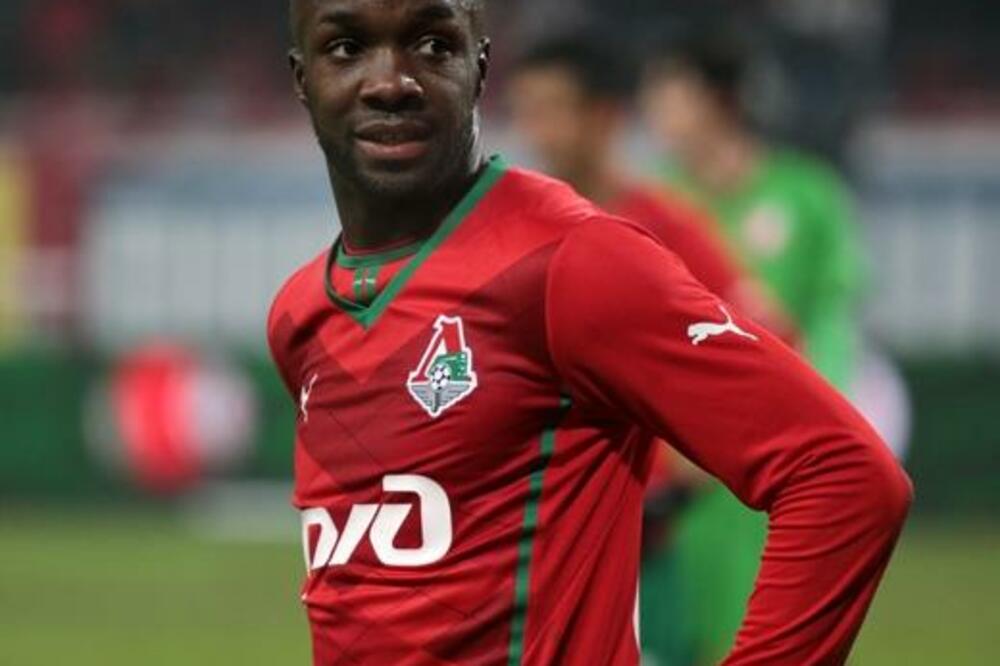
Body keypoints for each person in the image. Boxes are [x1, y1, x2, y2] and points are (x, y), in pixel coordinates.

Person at [268, 1, 911, 664]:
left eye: (432, 45)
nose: (389, 81)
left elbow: (842, 473)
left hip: (668, 558)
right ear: (301, 77)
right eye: (346, 48)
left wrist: (673, 481)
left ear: (479, 67)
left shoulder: (575, 261)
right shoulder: (300, 315)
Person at [507, 35, 797, 665]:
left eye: (553, 109)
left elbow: (766, 334)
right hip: (526, 551)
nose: (536, 131)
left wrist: (690, 462)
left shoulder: (660, 228)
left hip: (642, 549)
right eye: (526, 111)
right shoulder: (504, 229)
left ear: (604, 116)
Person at [639, 29, 875, 664]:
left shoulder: (808, 195)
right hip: (678, 470)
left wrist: (817, 424)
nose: (653, 110)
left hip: (774, 456)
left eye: (667, 94)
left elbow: (830, 317)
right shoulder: (651, 204)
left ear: (718, 100)